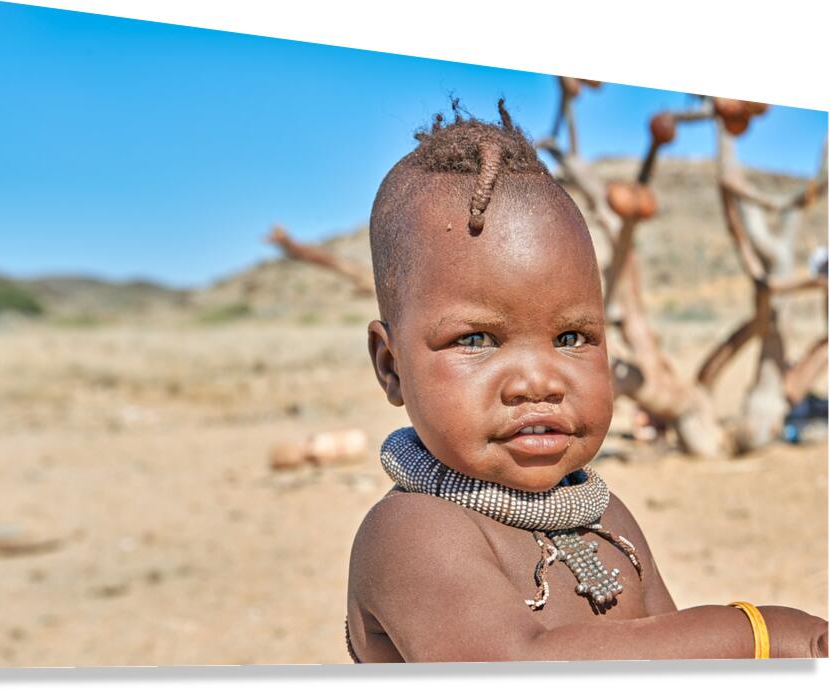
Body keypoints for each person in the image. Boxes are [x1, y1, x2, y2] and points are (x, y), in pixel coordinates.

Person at [344, 100, 828, 662]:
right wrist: (760, 634)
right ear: (390, 365)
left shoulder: (605, 514)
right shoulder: (412, 533)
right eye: (475, 340)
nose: (536, 381)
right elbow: (517, 668)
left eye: (572, 337)